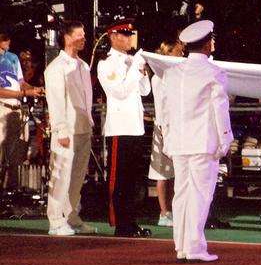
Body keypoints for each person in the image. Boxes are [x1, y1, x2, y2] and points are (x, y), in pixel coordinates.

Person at [160, 20, 233, 262]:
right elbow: (219, 110)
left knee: (181, 193)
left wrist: (167, 138)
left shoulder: (171, 74)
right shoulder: (214, 73)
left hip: (178, 142)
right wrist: (225, 140)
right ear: (206, 45)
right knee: (200, 195)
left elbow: (164, 110)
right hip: (203, 142)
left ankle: (181, 245)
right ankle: (194, 247)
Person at [97, 20, 152, 238]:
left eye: (130, 35)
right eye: (125, 35)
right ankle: (121, 223)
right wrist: (134, 70)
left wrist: (141, 71)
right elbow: (119, 92)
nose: (130, 38)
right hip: (120, 127)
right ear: (113, 37)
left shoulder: (131, 60)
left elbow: (145, 91)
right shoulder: (106, 63)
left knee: (132, 179)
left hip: (135, 126)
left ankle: (131, 221)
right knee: (119, 180)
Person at [44, 21, 97, 236]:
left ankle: (72, 216)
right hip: (66, 130)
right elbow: (56, 101)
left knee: (76, 177)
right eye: (79, 35)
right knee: (60, 175)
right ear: (66, 37)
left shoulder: (83, 66)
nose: (83, 38)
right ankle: (55, 220)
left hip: (83, 127)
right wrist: (61, 130)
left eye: (84, 34)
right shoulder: (56, 68)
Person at [0, 29, 43, 190]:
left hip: (17, 109)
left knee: (17, 153)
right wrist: (25, 92)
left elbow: (20, 82)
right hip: (2, 107)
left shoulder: (12, 58)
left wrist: (34, 89)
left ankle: (11, 191)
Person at [149, 40, 184, 227]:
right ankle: (164, 212)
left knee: (175, 173)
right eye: (178, 52)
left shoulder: (175, 76)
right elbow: (161, 106)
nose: (181, 55)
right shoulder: (158, 77)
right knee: (162, 172)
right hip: (163, 128)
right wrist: (163, 129)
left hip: (176, 127)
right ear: (168, 53)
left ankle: (171, 209)